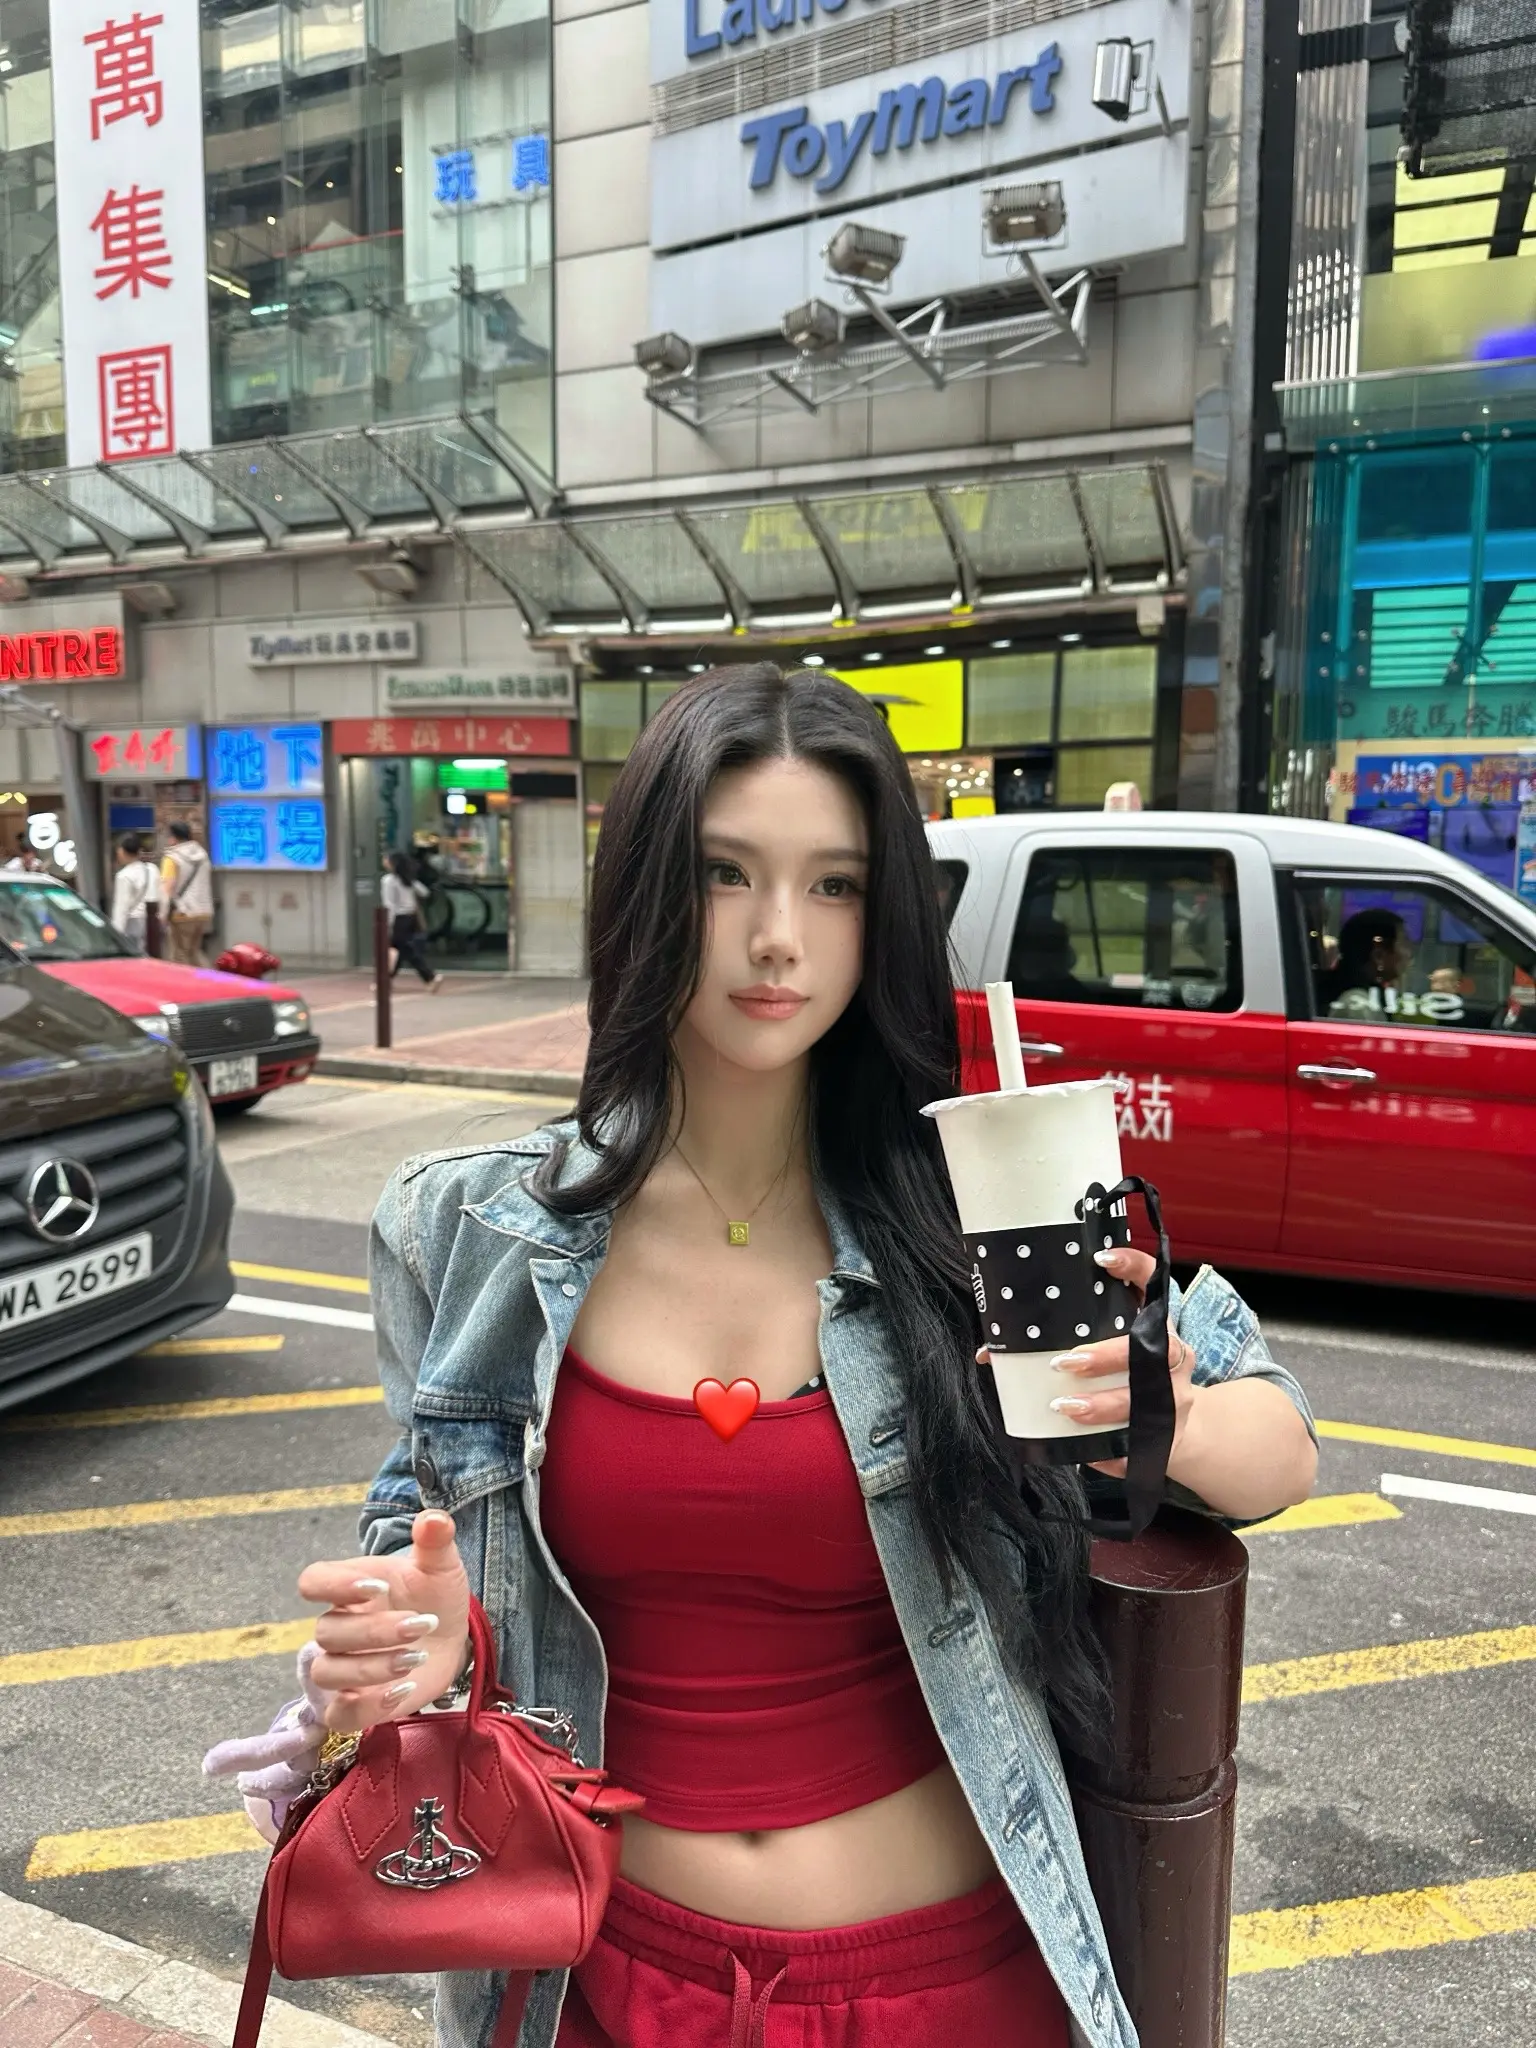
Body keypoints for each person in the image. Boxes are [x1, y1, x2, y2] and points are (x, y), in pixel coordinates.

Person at [206, 666, 1317, 2048]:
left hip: (951, 1984)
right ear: (645, 892)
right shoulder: (472, 1229)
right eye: (724, 873)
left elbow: (1280, 1444)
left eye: (834, 885)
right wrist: (410, 1653)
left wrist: (1163, 1416)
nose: (778, 937)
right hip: (602, 1983)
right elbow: (418, 1541)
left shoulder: (974, 1212)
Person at [1318, 907, 1412, 1017]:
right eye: (1404, 944)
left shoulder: (1369, 998)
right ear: (1378, 955)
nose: (1409, 953)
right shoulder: (1357, 1007)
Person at [382, 850, 442, 991]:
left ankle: (430, 977)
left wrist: (388, 923)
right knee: (401, 950)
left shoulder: (388, 880)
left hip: (398, 919)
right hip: (410, 918)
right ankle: (386, 980)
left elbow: (389, 904)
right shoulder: (407, 879)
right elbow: (424, 892)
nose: (384, 861)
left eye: (386, 858)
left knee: (403, 950)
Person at [160, 819, 215, 965]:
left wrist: (162, 915)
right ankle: (209, 977)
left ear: (173, 837)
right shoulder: (202, 856)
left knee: (180, 956)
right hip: (202, 913)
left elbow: (167, 888)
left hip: (182, 914)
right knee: (194, 952)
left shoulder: (172, 858)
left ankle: (201, 978)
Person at [109, 833, 162, 950]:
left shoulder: (124, 876)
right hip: (153, 922)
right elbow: (160, 895)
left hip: (134, 924)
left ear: (121, 851)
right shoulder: (152, 869)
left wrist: (115, 936)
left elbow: (121, 908)